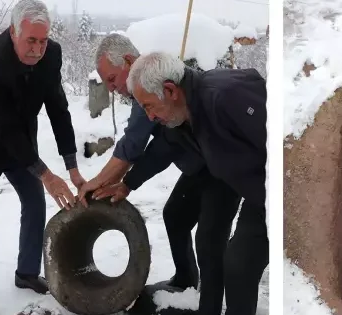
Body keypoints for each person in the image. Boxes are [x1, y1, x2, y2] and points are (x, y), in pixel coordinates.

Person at [97, 52, 268, 315]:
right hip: (231, 177)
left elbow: (278, 140)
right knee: (205, 238)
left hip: (272, 187)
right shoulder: (179, 113)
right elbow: (162, 148)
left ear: (171, 90)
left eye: (149, 106)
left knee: (236, 260)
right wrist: (128, 183)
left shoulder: (226, 99)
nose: (148, 115)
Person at [0, 0, 85, 315]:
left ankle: (26, 273)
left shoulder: (51, 55)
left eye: (43, 41)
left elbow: (58, 108)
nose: (38, 49)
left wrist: (70, 167)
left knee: (34, 198)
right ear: (13, 32)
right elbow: (3, 129)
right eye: (31, 41)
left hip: (19, 141)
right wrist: (45, 173)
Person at [77, 33, 240, 291]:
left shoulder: (149, 86)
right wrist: (128, 183)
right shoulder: (141, 95)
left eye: (112, 79)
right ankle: (186, 282)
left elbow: (132, 146)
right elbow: (163, 147)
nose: (110, 88)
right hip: (197, 167)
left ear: (129, 61)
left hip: (220, 168)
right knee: (175, 215)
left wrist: (97, 182)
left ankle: (210, 309)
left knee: (209, 239)